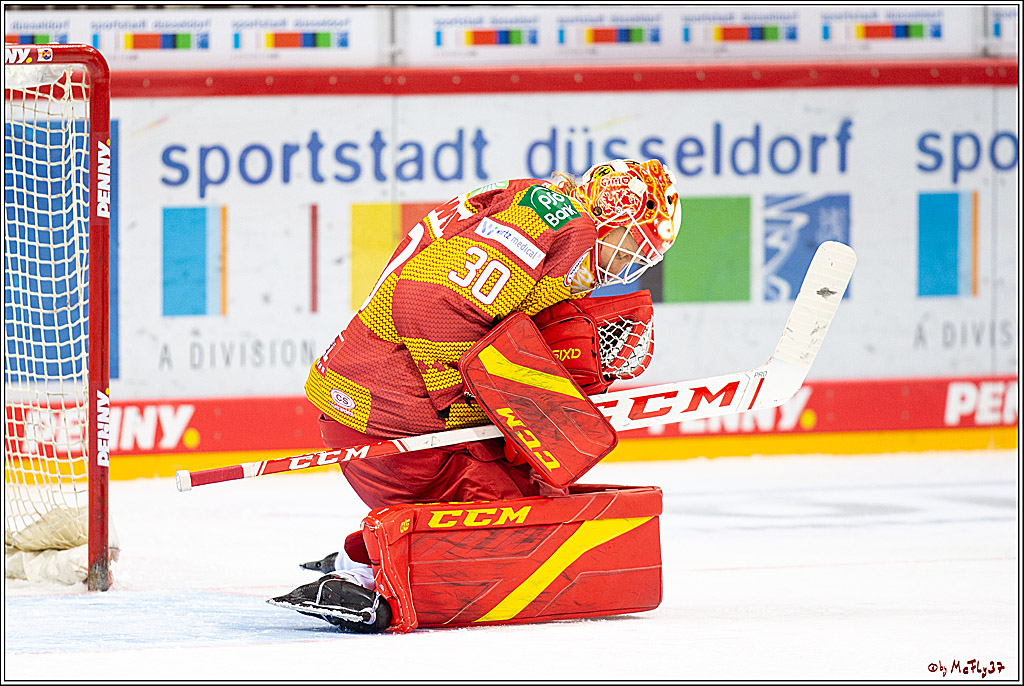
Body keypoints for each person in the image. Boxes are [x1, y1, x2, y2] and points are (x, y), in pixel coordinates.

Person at [269, 159, 682, 632]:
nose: (628, 265)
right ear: (612, 214)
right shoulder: (558, 226)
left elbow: (480, 317)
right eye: (630, 245)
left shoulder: (539, 210)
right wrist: (475, 402)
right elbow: (425, 302)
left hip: (377, 399)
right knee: (521, 531)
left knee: (539, 491)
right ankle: (380, 582)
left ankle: (363, 555)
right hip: (388, 415)